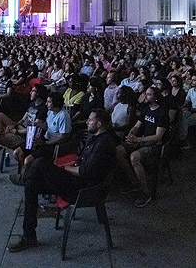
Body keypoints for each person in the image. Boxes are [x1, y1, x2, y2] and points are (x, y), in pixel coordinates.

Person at [8, 108, 117, 253]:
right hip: (76, 181)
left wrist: (64, 169)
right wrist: (69, 165)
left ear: (99, 124)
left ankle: (24, 177)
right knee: (31, 185)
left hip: (83, 190)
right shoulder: (95, 138)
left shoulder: (104, 144)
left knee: (41, 162)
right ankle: (29, 236)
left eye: (90, 120)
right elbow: (81, 161)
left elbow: (85, 172)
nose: (87, 122)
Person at [0, 84, 49, 185]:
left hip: (27, 136)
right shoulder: (31, 104)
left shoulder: (43, 109)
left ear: (39, 94)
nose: (30, 92)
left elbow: (33, 130)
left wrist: (16, 131)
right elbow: (23, 119)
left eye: (33, 91)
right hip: (20, 128)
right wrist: (14, 125)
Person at [116, 85, 168, 208]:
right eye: (146, 94)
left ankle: (146, 192)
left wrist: (139, 139)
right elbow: (137, 125)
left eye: (149, 94)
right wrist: (132, 132)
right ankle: (134, 181)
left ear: (156, 97)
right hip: (141, 141)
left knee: (134, 157)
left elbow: (158, 136)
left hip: (154, 145)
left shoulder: (162, 113)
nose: (145, 96)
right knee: (118, 150)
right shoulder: (145, 110)